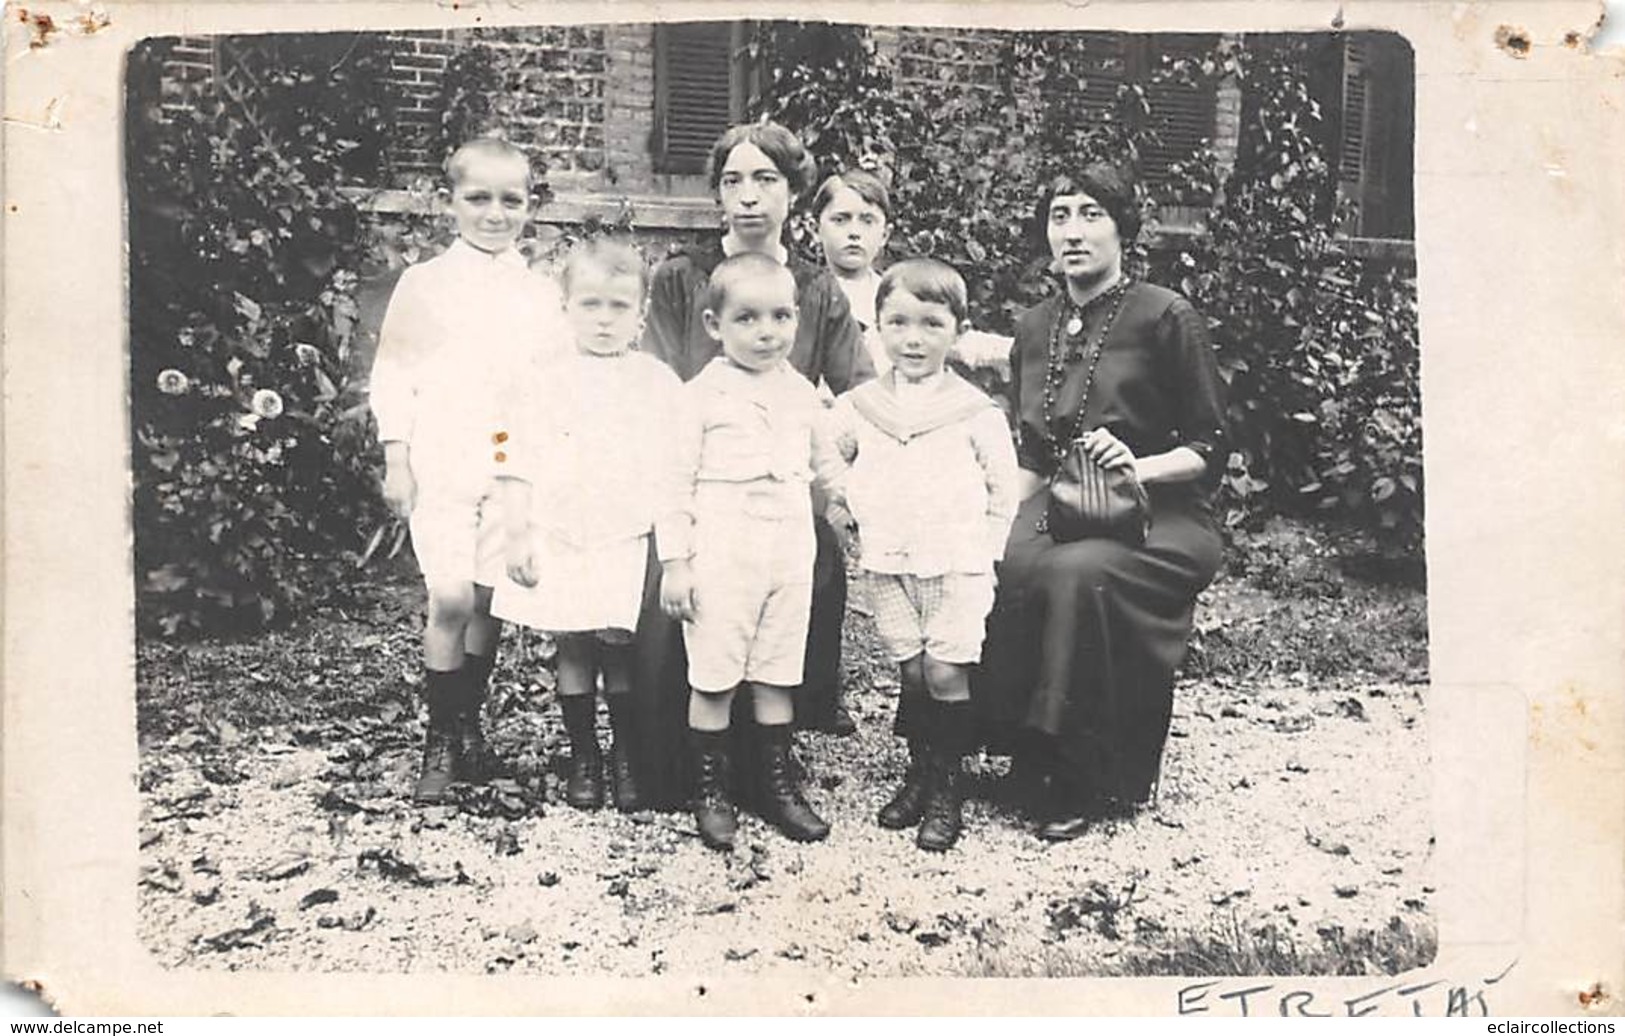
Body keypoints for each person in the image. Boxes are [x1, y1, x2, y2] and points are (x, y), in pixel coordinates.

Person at [976, 163, 1228, 841]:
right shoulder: (1035, 326)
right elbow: (1032, 457)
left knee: (1073, 573)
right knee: (999, 561)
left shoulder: (1166, 315)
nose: (1072, 232)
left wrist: (1137, 467)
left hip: (1162, 515)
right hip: (1061, 501)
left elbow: (1209, 448)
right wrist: (994, 524)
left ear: (1122, 229)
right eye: (1059, 216)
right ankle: (1004, 747)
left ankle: (1081, 772)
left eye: (1090, 214)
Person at [637, 120, 874, 795]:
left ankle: (774, 749)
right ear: (715, 194)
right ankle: (688, 759)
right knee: (673, 591)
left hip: (781, 481)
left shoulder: (815, 288)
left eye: (765, 179)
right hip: (696, 478)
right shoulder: (685, 277)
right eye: (732, 181)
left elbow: (854, 390)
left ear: (793, 193)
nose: (748, 197)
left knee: (817, 563)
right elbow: (656, 388)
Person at [369, 137, 568, 803]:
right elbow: (394, 374)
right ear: (448, 201)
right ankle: (440, 737)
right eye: (478, 198)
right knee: (449, 595)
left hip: (511, 466)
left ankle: (467, 732)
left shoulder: (539, 294)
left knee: (487, 599)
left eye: (510, 200)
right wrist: (396, 455)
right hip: (442, 458)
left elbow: (552, 384)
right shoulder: (425, 284)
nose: (494, 213)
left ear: (528, 206)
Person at [826, 258, 1019, 851]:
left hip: (956, 564)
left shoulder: (973, 412)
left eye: (931, 324)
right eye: (899, 323)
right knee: (911, 668)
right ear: (878, 328)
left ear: (957, 332)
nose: (913, 339)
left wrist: (986, 551)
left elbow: (1002, 488)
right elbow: (829, 455)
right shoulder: (862, 405)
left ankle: (947, 787)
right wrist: (846, 500)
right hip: (890, 561)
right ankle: (920, 771)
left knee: (944, 669)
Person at [656, 252, 843, 850]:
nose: (768, 333)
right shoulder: (699, 395)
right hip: (722, 547)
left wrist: (852, 501)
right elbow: (672, 482)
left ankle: (776, 784)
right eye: (748, 319)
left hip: (788, 548)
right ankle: (711, 788)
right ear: (714, 325)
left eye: (782, 317)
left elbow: (827, 465)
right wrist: (677, 562)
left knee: (777, 669)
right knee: (714, 673)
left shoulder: (800, 393)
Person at [491, 238, 680, 813]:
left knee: (617, 645)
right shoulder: (538, 379)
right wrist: (517, 529)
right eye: (590, 305)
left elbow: (676, 464)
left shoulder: (655, 381)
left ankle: (626, 751)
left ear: (640, 314)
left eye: (618, 307)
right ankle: (584, 755)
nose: (603, 320)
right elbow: (506, 451)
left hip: (622, 533)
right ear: (565, 308)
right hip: (561, 531)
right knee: (573, 645)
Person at [811, 169, 890, 373]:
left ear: (885, 235)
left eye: (867, 221)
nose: (854, 233)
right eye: (840, 219)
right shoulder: (803, 293)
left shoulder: (894, 295)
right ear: (815, 229)